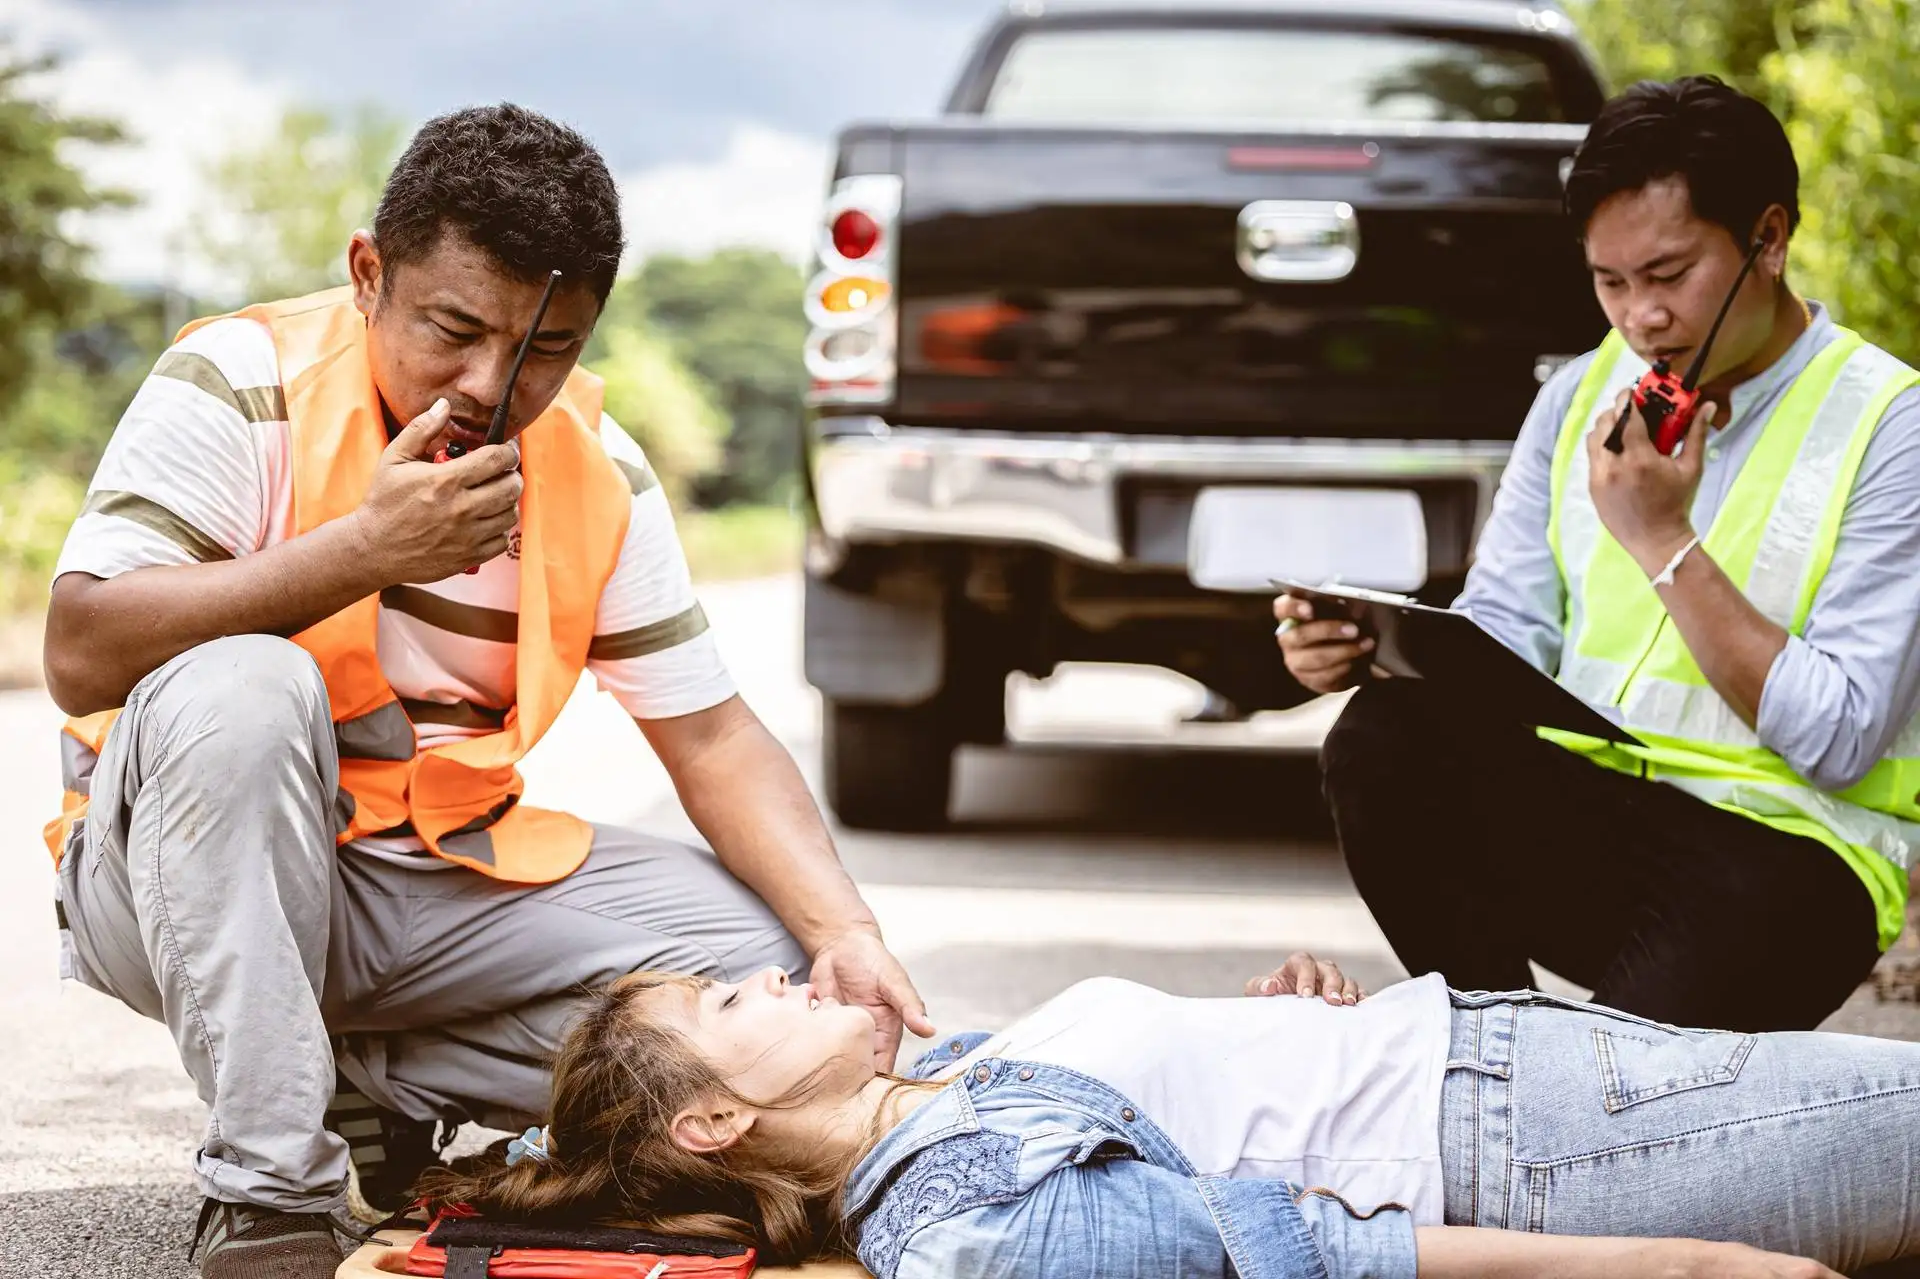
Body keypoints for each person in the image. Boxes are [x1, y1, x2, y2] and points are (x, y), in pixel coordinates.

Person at [39, 103, 931, 1278]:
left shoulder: (598, 469)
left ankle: (363, 1082)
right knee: (246, 688)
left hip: (438, 880)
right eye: (453, 328)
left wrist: (844, 931)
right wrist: (360, 552)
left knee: (762, 975)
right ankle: (271, 1190)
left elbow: (710, 732)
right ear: (370, 274)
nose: (489, 385)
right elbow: (81, 646)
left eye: (544, 347)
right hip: (179, 875)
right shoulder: (239, 378)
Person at [1276, 75, 1920, 1033]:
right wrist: (1372, 652)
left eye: (1668, 276)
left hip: (1789, 866)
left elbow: (1840, 736)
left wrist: (1663, 540)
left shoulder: (1888, 425)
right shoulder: (1583, 395)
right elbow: (1501, 644)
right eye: (1609, 282)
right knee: (1384, 739)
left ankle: (1535, 1093)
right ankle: (1501, 1057)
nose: (1639, 318)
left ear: (1770, 240)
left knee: (1611, 1110)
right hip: (1603, 831)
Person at [414, 953, 1919, 1278]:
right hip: (1549, 1154)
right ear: (713, 1128)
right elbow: (1325, 1262)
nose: (778, 973)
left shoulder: (952, 1090)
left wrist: (1258, 1023)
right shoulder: (974, 1222)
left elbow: (1192, 1114)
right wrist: (1702, 1274)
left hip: (1518, 1069)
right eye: (734, 1006)